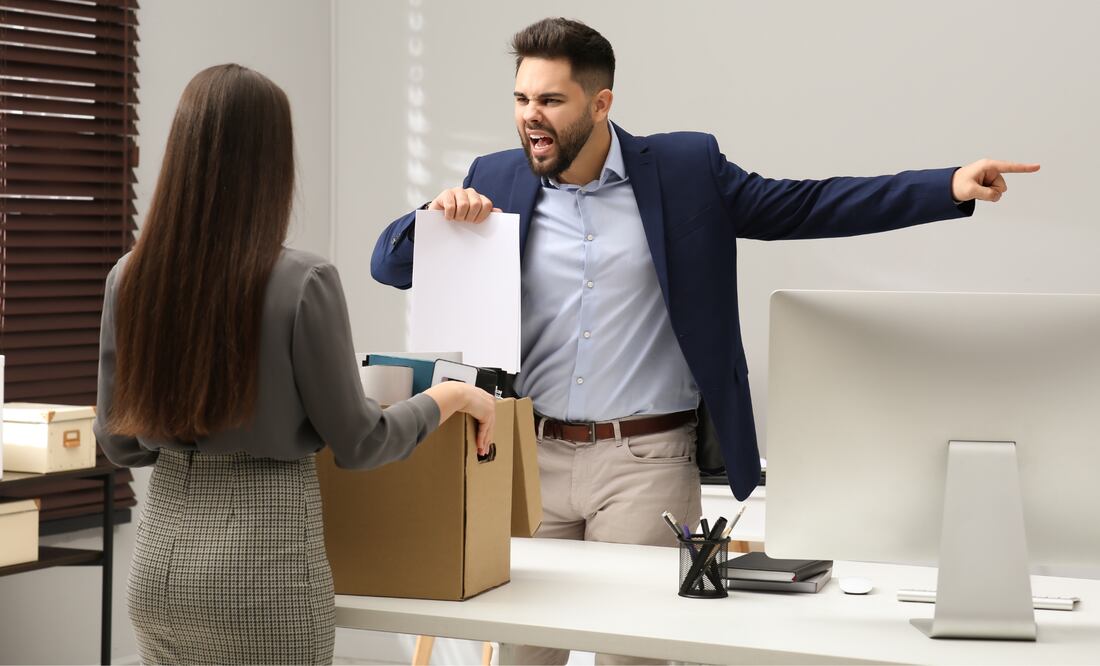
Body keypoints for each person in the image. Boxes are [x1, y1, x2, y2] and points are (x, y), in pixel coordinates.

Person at [371, 18, 1038, 665]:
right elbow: (391, 267)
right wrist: (432, 218)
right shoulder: (496, 177)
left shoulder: (685, 170)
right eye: (521, 98)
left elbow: (805, 206)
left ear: (601, 103)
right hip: (530, 455)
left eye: (550, 99)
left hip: (645, 460)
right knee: (523, 654)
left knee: (632, 654)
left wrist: (945, 186)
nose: (530, 116)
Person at [93, 64, 496, 665]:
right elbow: (361, 441)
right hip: (264, 565)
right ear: (271, 164)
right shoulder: (304, 282)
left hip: (159, 566)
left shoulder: (130, 276)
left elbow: (120, 444)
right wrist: (454, 397)